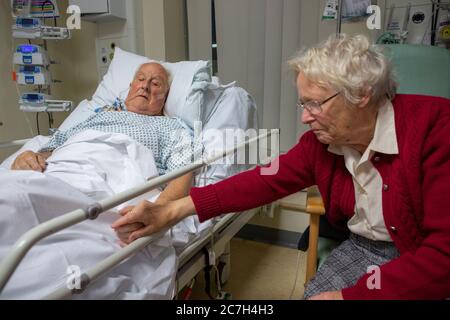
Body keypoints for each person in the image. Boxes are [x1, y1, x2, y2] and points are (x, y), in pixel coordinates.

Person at [111, 34, 450, 300]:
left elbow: (443, 256)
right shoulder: (321, 146)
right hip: (365, 248)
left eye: (314, 104)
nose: (304, 117)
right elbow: (264, 180)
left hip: (421, 253)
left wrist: (353, 296)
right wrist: (173, 210)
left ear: (361, 94)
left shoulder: (436, 129)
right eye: (302, 103)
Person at [11, 62, 195, 207]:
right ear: (131, 86)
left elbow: (183, 173)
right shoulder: (99, 115)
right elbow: (54, 147)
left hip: (111, 185)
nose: (144, 86)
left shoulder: (170, 126)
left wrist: (159, 210)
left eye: (155, 83)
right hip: (59, 171)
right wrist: (29, 157)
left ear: (165, 96)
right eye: (140, 79)